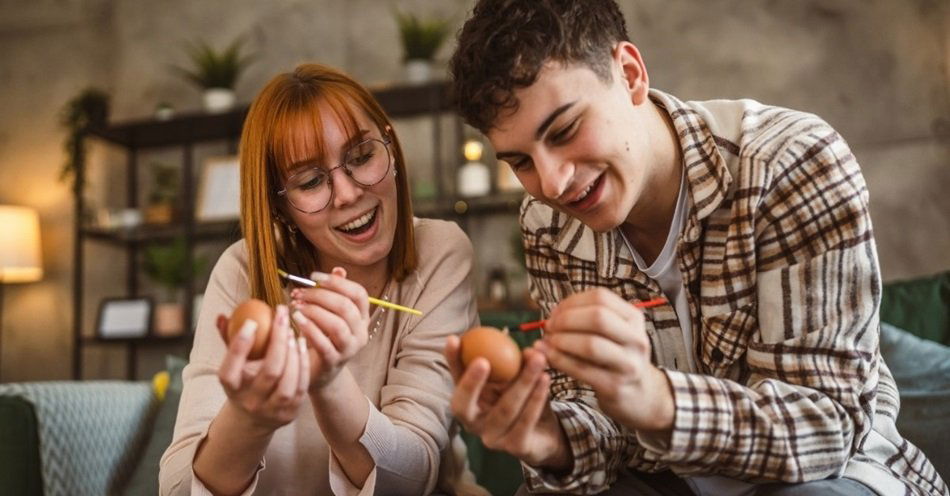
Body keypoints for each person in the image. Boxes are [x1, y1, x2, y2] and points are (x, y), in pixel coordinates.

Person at [444, 1, 949, 495]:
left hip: (835, 476)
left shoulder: (790, 164)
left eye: (566, 130)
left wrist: (656, 399)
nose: (552, 184)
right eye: (520, 163)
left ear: (630, 73)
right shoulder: (547, 223)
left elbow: (828, 425)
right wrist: (553, 441)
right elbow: (597, 423)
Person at [160, 63, 486, 495]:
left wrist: (329, 382)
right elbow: (177, 490)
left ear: (390, 144)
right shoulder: (243, 270)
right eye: (311, 181)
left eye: (363, 156)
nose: (349, 194)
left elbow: (411, 479)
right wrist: (249, 418)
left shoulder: (440, 251)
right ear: (280, 207)